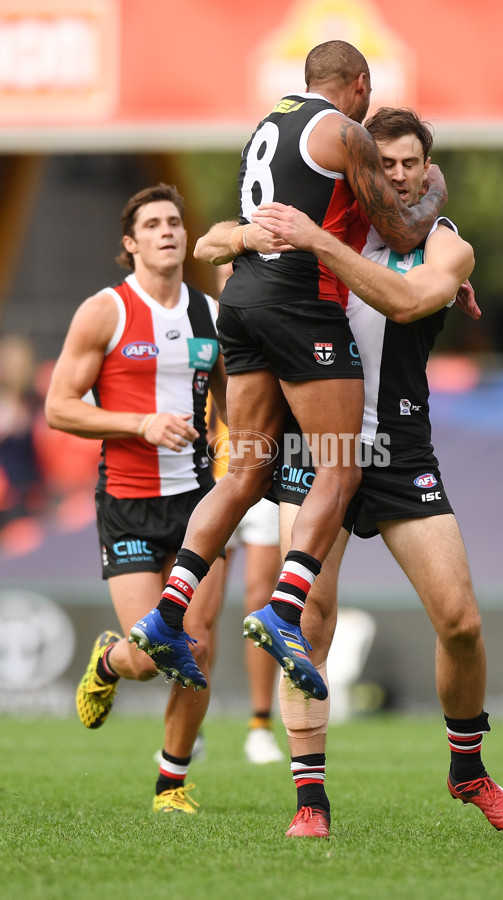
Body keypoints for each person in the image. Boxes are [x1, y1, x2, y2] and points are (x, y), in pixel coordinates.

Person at [128, 40, 449, 702]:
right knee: (342, 463)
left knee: (245, 471)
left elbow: (236, 232)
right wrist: (436, 186)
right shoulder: (344, 131)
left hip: (241, 303)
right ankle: (285, 605)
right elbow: (405, 228)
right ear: (358, 85)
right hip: (303, 306)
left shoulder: (266, 128)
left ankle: (166, 615)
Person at [250, 107, 503, 838]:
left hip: (401, 452)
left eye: (412, 163)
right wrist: (260, 234)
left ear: (427, 169)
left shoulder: (446, 246)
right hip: (320, 450)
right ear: (365, 165)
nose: (399, 175)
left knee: (461, 621)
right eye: (388, 163)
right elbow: (222, 242)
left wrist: (315, 242)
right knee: (308, 620)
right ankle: (310, 802)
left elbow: (407, 298)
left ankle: (467, 770)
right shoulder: (329, 214)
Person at [45, 183, 227, 814]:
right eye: (152, 224)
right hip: (127, 500)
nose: (168, 231)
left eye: (175, 221)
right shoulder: (106, 312)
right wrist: (139, 422)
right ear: (131, 244)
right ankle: (108, 662)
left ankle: (171, 783)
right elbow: (59, 408)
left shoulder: (211, 314)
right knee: (153, 656)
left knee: (198, 643)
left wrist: (241, 461)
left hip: (200, 503)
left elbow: (230, 403)